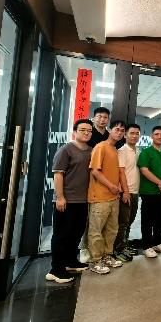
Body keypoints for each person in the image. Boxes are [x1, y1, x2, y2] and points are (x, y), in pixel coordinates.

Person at [46, 119, 93, 283]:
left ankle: (71, 261)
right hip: (66, 200)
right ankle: (56, 269)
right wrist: (60, 197)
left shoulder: (91, 151)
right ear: (75, 132)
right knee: (62, 235)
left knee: (76, 232)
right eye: (82, 130)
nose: (86, 133)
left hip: (83, 200)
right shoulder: (66, 150)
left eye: (89, 130)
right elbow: (58, 174)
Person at [87, 120, 126, 274]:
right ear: (110, 130)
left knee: (111, 230)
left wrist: (118, 187)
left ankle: (107, 256)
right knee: (96, 231)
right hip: (99, 196)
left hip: (113, 197)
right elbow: (95, 171)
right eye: (117, 129)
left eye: (122, 131)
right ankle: (95, 261)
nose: (119, 132)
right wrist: (111, 185)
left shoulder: (115, 150)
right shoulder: (101, 146)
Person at [81, 106, 111, 263]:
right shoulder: (89, 134)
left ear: (108, 120)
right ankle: (84, 248)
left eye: (105, 117)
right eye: (99, 116)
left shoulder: (109, 136)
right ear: (93, 118)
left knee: (101, 220)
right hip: (88, 177)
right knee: (88, 218)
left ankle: (102, 250)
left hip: (105, 181)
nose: (102, 119)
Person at [137, 126, 161, 258]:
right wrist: (160, 183)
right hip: (149, 192)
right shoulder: (146, 152)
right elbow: (144, 170)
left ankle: (158, 242)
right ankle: (146, 246)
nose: (159, 136)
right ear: (151, 136)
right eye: (156, 134)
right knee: (147, 220)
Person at [113, 123, 141, 262]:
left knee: (129, 221)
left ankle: (125, 245)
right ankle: (118, 249)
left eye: (137, 133)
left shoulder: (138, 151)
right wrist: (125, 192)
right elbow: (121, 172)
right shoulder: (122, 151)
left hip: (135, 191)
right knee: (122, 222)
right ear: (125, 135)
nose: (134, 136)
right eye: (131, 133)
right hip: (126, 192)